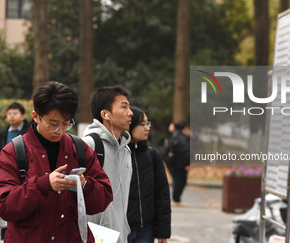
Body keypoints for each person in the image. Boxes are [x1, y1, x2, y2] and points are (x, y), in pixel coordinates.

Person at [0, 81, 113, 242]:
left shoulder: (79, 149)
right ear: (35, 117)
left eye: (66, 123)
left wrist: (84, 185)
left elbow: (103, 200)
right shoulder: (14, 152)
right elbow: (4, 207)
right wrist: (43, 185)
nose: (59, 130)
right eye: (53, 124)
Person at [82, 86, 133, 243]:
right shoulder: (89, 145)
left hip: (119, 235)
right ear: (105, 114)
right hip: (94, 235)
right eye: (124, 107)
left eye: (129, 107)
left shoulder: (126, 150)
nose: (130, 112)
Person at [127, 106, 171, 243]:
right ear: (130, 125)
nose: (147, 128)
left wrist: (162, 232)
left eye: (148, 123)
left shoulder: (152, 155)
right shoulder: (118, 154)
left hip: (145, 229)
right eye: (142, 124)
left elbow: (162, 194)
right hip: (121, 228)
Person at [0, 102, 31, 239]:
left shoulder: (29, 131)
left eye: (15, 113)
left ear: (23, 115)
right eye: (9, 113)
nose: (11, 116)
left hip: (24, 174)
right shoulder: (3, 132)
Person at [165, 121, 190, 206]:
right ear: (185, 128)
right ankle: (176, 200)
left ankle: (176, 199)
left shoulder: (174, 136)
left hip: (172, 162)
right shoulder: (181, 138)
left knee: (177, 181)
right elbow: (184, 152)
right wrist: (187, 163)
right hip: (180, 164)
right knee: (180, 181)